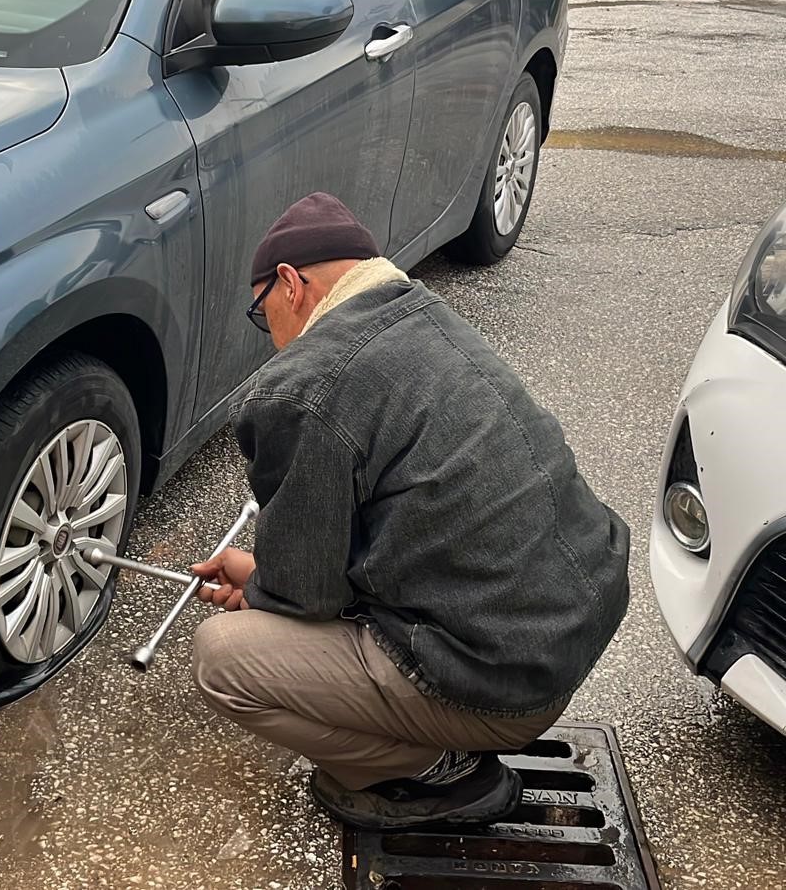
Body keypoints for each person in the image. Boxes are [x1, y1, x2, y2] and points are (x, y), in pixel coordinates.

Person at [188, 192, 630, 831]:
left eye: (263, 313)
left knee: (223, 658)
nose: (271, 335)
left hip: (502, 680)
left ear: (290, 284)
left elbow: (306, 597)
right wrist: (264, 575)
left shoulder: (303, 385)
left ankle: (439, 772)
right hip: (566, 632)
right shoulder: (425, 317)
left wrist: (265, 589)